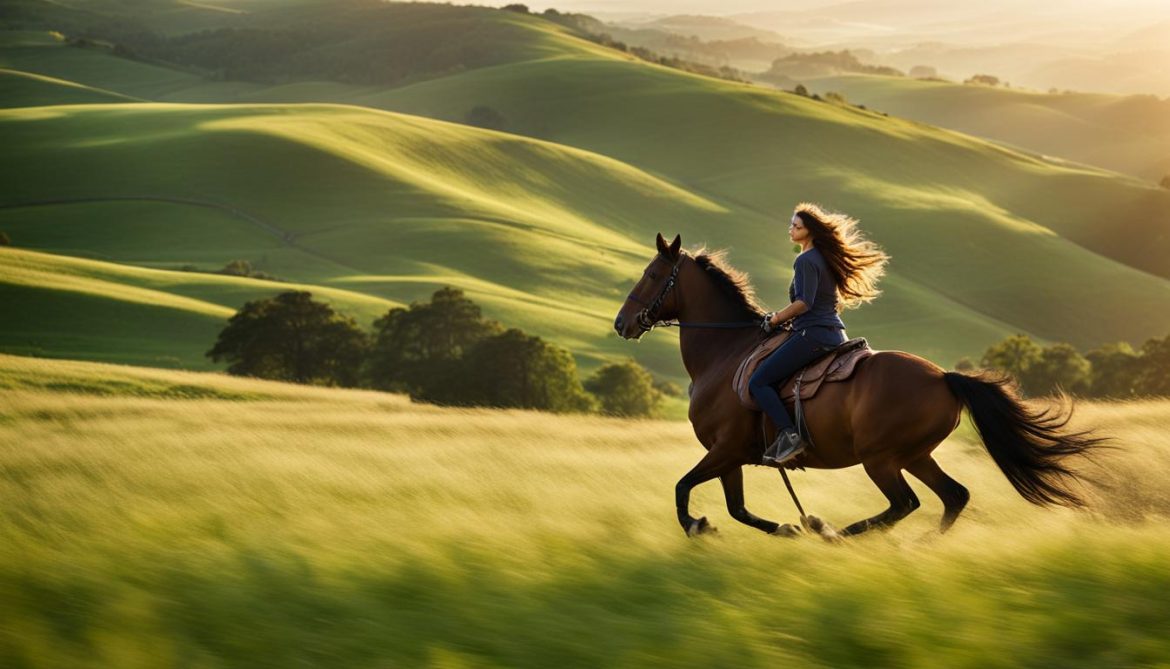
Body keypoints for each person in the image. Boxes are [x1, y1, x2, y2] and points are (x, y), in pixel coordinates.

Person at [751, 203, 889, 466]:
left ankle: (790, 436)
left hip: (813, 335)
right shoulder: (824, 259)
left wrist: (776, 318)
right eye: (791, 224)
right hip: (832, 333)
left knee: (759, 381)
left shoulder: (804, 260)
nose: (790, 229)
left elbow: (804, 303)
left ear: (810, 231)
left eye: (796, 226)